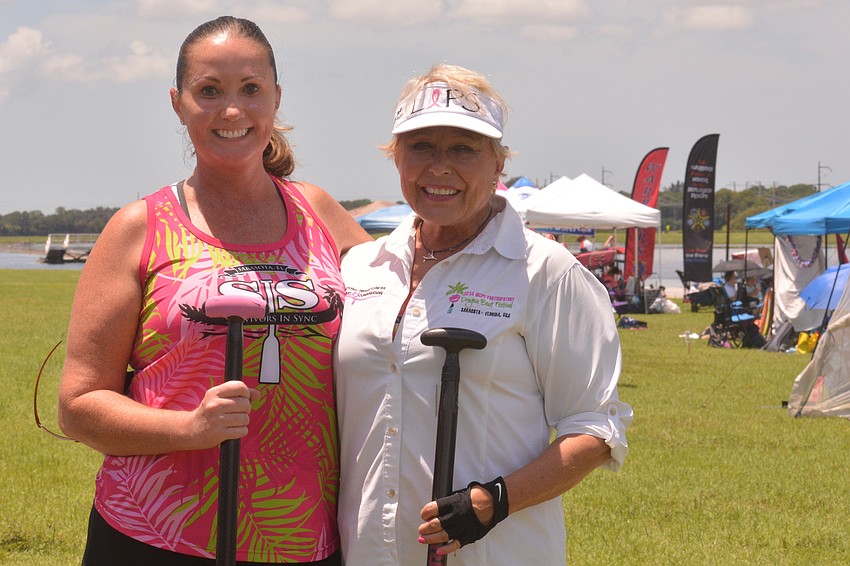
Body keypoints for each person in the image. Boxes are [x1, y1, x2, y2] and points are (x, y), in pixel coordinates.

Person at [58, 16, 370, 565]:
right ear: (177, 104)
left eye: (251, 89)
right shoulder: (140, 227)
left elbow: (402, 315)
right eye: (209, 91)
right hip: (155, 534)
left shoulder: (319, 213)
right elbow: (79, 406)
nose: (232, 109)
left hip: (303, 534)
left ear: (276, 98)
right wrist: (190, 428)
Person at [334, 64, 632, 565]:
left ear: (498, 164)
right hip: (367, 551)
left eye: (464, 148)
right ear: (397, 157)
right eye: (422, 146)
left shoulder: (545, 271)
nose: (440, 167)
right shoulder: (361, 267)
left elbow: (597, 431)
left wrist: (492, 501)